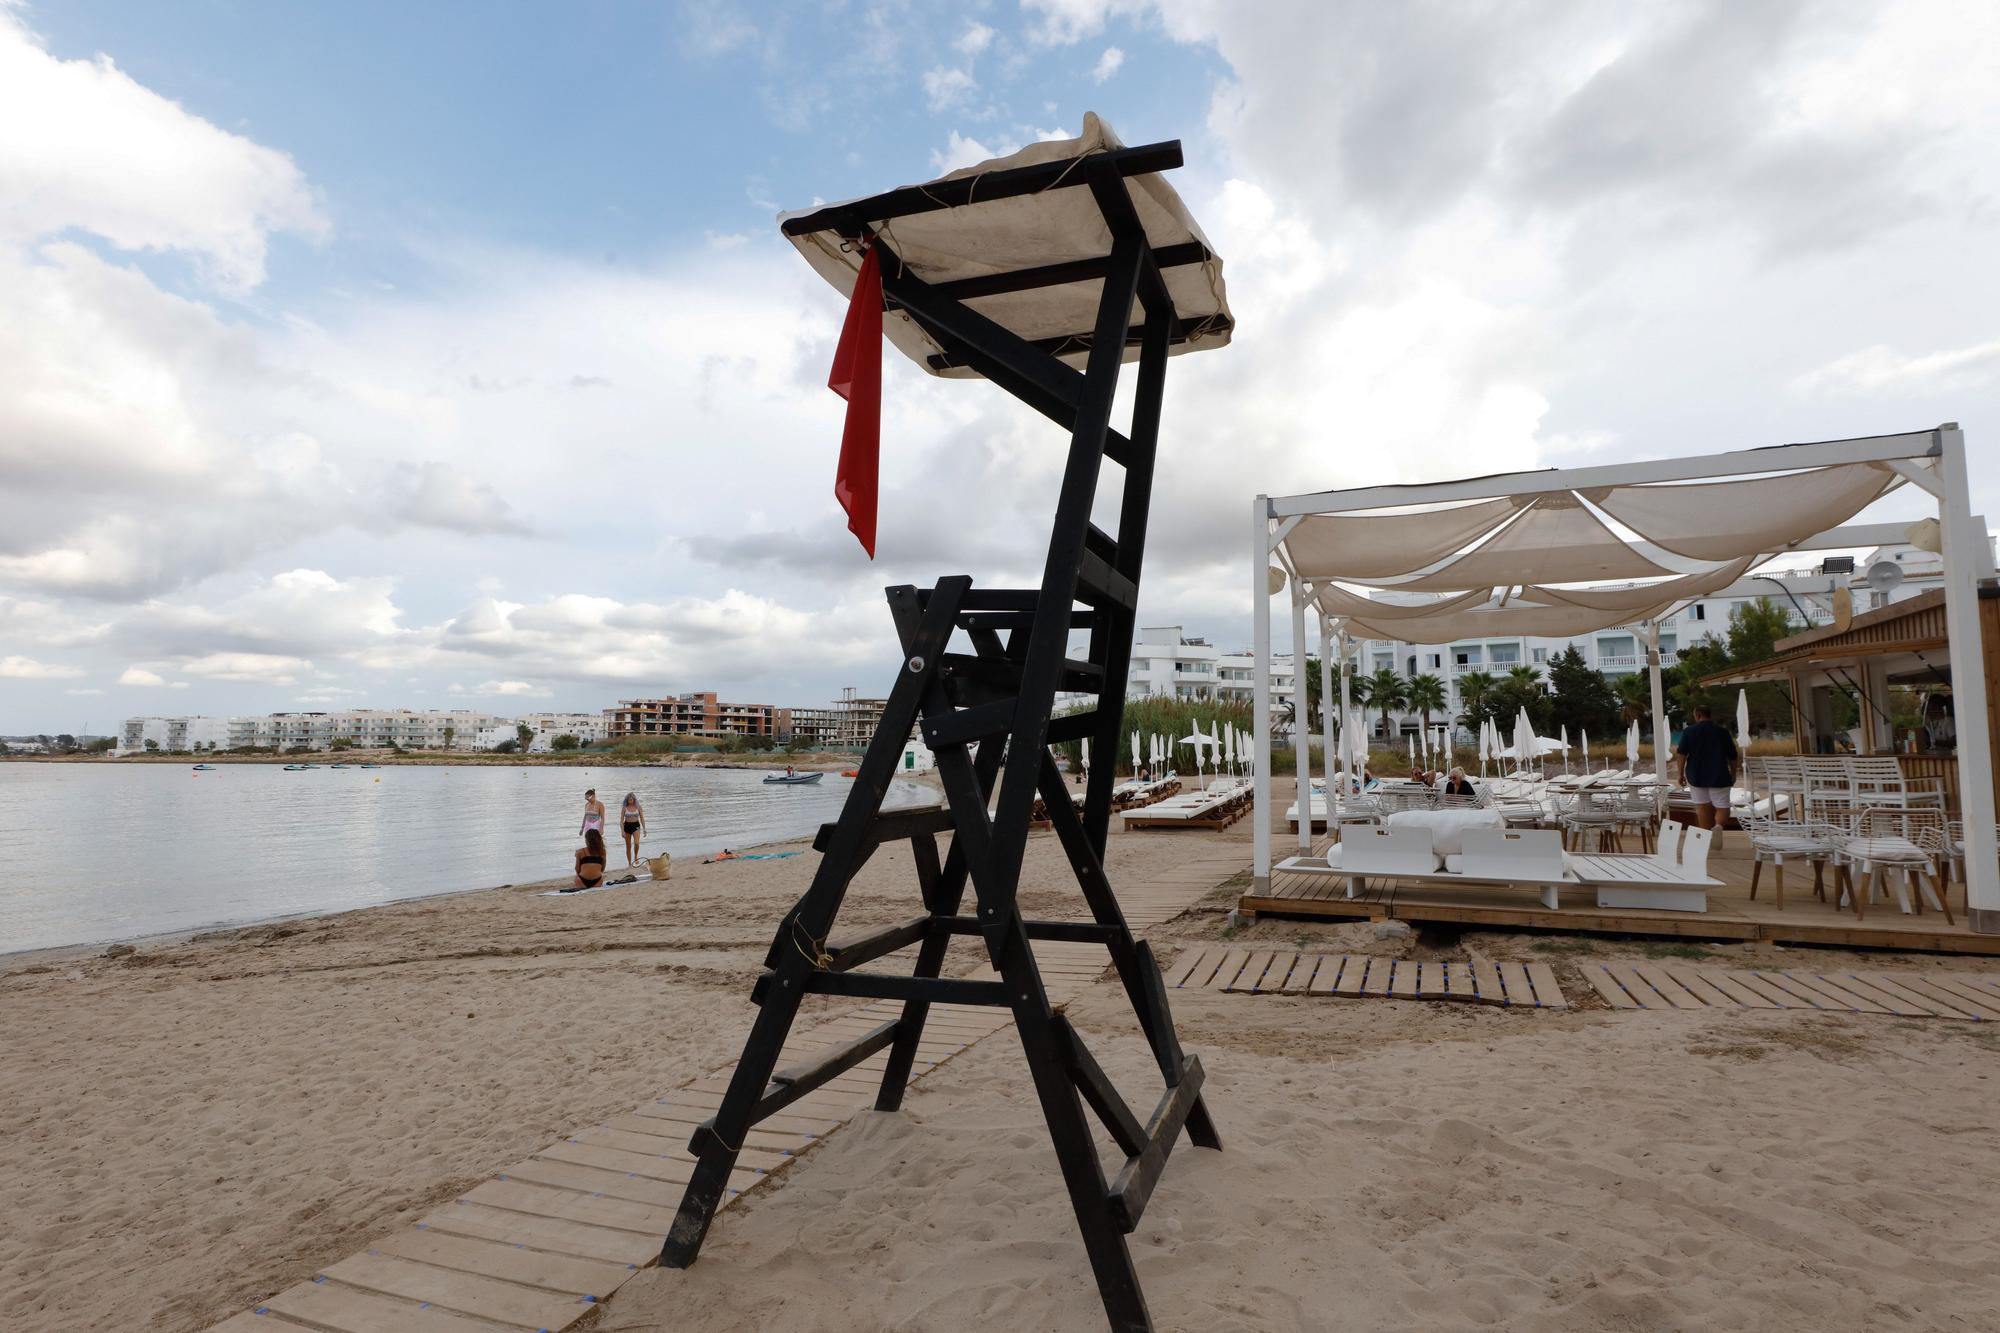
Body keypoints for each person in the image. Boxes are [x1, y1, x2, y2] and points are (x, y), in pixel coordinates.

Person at [1675, 703, 1739, 832]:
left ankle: (1706, 837)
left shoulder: (1689, 731)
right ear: (1710, 715)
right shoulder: (1722, 732)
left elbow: (1681, 754)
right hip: (1719, 775)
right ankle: (1718, 827)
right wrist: (1733, 774)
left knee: (1702, 807)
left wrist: (1680, 774)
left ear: (1698, 716)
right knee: (1722, 806)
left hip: (1696, 775)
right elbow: (1733, 756)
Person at [618, 791, 647, 866]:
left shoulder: (638, 807)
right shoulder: (624, 808)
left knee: (636, 843)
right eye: (629, 799)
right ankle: (629, 863)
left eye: (631, 799)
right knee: (628, 846)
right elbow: (621, 821)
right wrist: (622, 831)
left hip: (636, 826)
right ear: (626, 800)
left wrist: (644, 829)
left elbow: (642, 818)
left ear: (634, 799)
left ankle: (636, 857)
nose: (630, 801)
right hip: (627, 826)